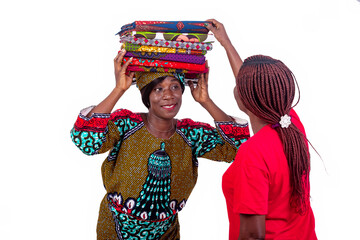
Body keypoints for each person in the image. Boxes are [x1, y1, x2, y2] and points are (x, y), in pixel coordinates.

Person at [70, 48, 250, 239]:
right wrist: (118, 89)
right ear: (146, 94)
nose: (168, 95)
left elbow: (239, 150)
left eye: (175, 87)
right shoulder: (125, 124)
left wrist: (206, 102)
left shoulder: (191, 134)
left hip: (167, 233)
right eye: (158, 89)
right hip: (116, 230)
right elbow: (86, 142)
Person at [206, 19, 317, 239]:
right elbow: (254, 86)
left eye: (239, 86)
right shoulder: (292, 123)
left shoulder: (253, 153)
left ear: (247, 98)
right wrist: (226, 43)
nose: (236, 87)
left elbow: (251, 235)